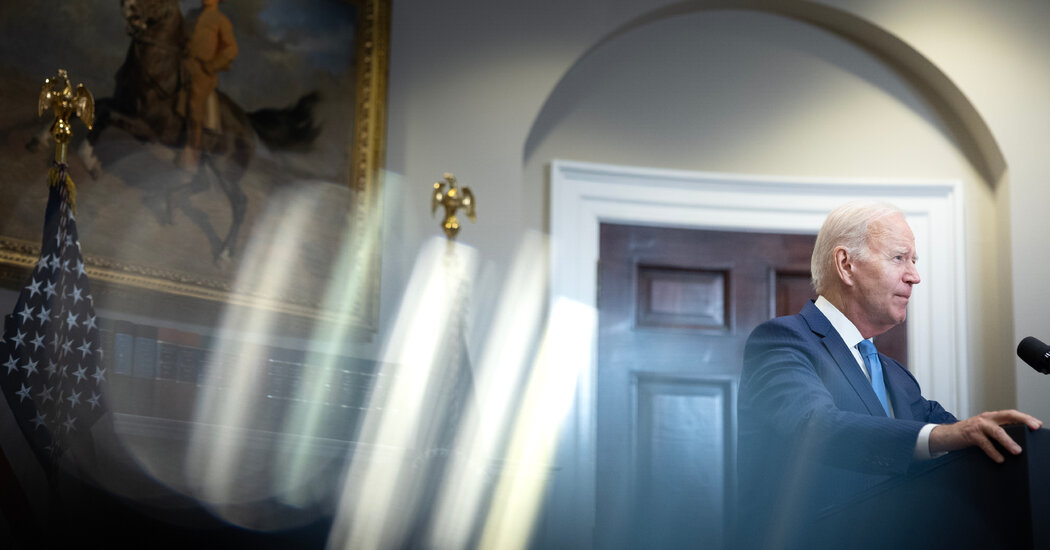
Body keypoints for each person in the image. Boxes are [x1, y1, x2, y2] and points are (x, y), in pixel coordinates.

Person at [736, 200, 1042, 550]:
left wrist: (1008, 442)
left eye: (914, 261)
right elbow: (815, 427)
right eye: (899, 258)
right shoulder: (782, 340)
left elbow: (964, 440)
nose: (914, 276)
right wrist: (947, 435)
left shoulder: (898, 378)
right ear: (846, 264)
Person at [180, 0, 238, 172]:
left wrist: (212, 65)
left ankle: (193, 153)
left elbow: (231, 49)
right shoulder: (191, 14)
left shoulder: (220, 20)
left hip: (203, 72)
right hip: (183, 64)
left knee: (195, 104)